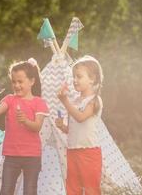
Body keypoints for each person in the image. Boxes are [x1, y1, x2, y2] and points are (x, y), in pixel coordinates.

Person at [0, 58, 49, 195]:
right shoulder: (10, 99)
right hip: (12, 155)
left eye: (20, 81)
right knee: (6, 190)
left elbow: (37, 127)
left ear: (31, 81)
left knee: (30, 191)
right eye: (14, 82)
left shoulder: (39, 103)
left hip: (32, 156)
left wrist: (25, 121)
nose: (17, 85)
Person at [55, 55, 103, 195]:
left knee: (91, 188)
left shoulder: (94, 100)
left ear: (92, 79)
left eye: (79, 76)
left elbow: (81, 117)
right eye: (73, 77)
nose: (75, 80)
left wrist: (65, 101)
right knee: (73, 188)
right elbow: (74, 129)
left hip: (89, 151)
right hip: (73, 150)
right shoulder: (75, 100)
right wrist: (62, 126)